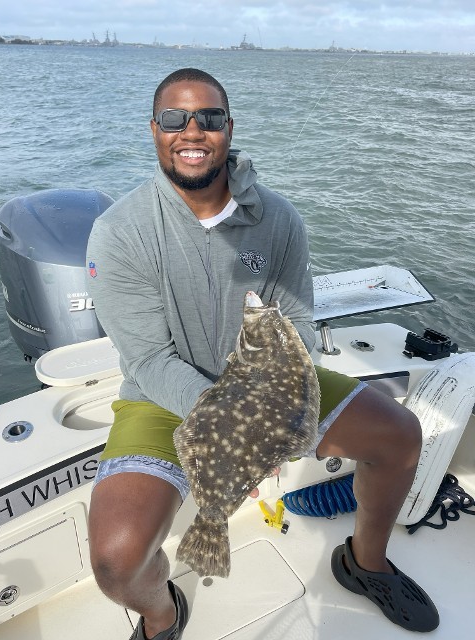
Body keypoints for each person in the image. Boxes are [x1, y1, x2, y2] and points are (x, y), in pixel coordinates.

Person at [86, 67, 439, 639]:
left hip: (272, 380)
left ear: (229, 128)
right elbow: (150, 360)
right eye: (175, 119)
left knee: (399, 435)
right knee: (115, 561)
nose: (192, 130)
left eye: (210, 118)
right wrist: (235, 428)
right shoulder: (119, 232)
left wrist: (272, 412)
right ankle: (161, 612)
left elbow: (296, 324)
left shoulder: (279, 220)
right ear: (154, 129)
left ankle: (363, 562)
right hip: (161, 396)